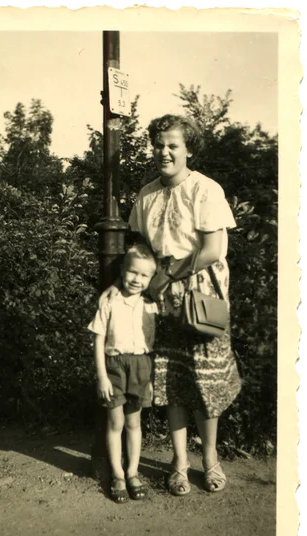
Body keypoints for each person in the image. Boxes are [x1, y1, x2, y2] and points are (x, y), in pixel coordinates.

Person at [100, 114, 242, 496]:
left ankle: (210, 459)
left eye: (172, 146)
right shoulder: (146, 195)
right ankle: (179, 463)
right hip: (159, 298)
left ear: (188, 150)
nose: (164, 152)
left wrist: (171, 274)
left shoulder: (206, 190)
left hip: (200, 298)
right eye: (159, 145)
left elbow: (213, 250)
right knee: (171, 382)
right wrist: (134, 284)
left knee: (205, 384)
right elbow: (141, 250)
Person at [88, 244, 158, 503]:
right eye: (132, 272)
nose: (136, 279)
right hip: (115, 367)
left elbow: (153, 346)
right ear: (122, 271)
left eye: (143, 275)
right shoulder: (109, 301)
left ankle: (132, 472)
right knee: (115, 423)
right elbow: (98, 339)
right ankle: (117, 475)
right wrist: (102, 376)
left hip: (141, 367)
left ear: (151, 278)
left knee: (134, 423)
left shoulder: (150, 306)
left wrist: (150, 379)